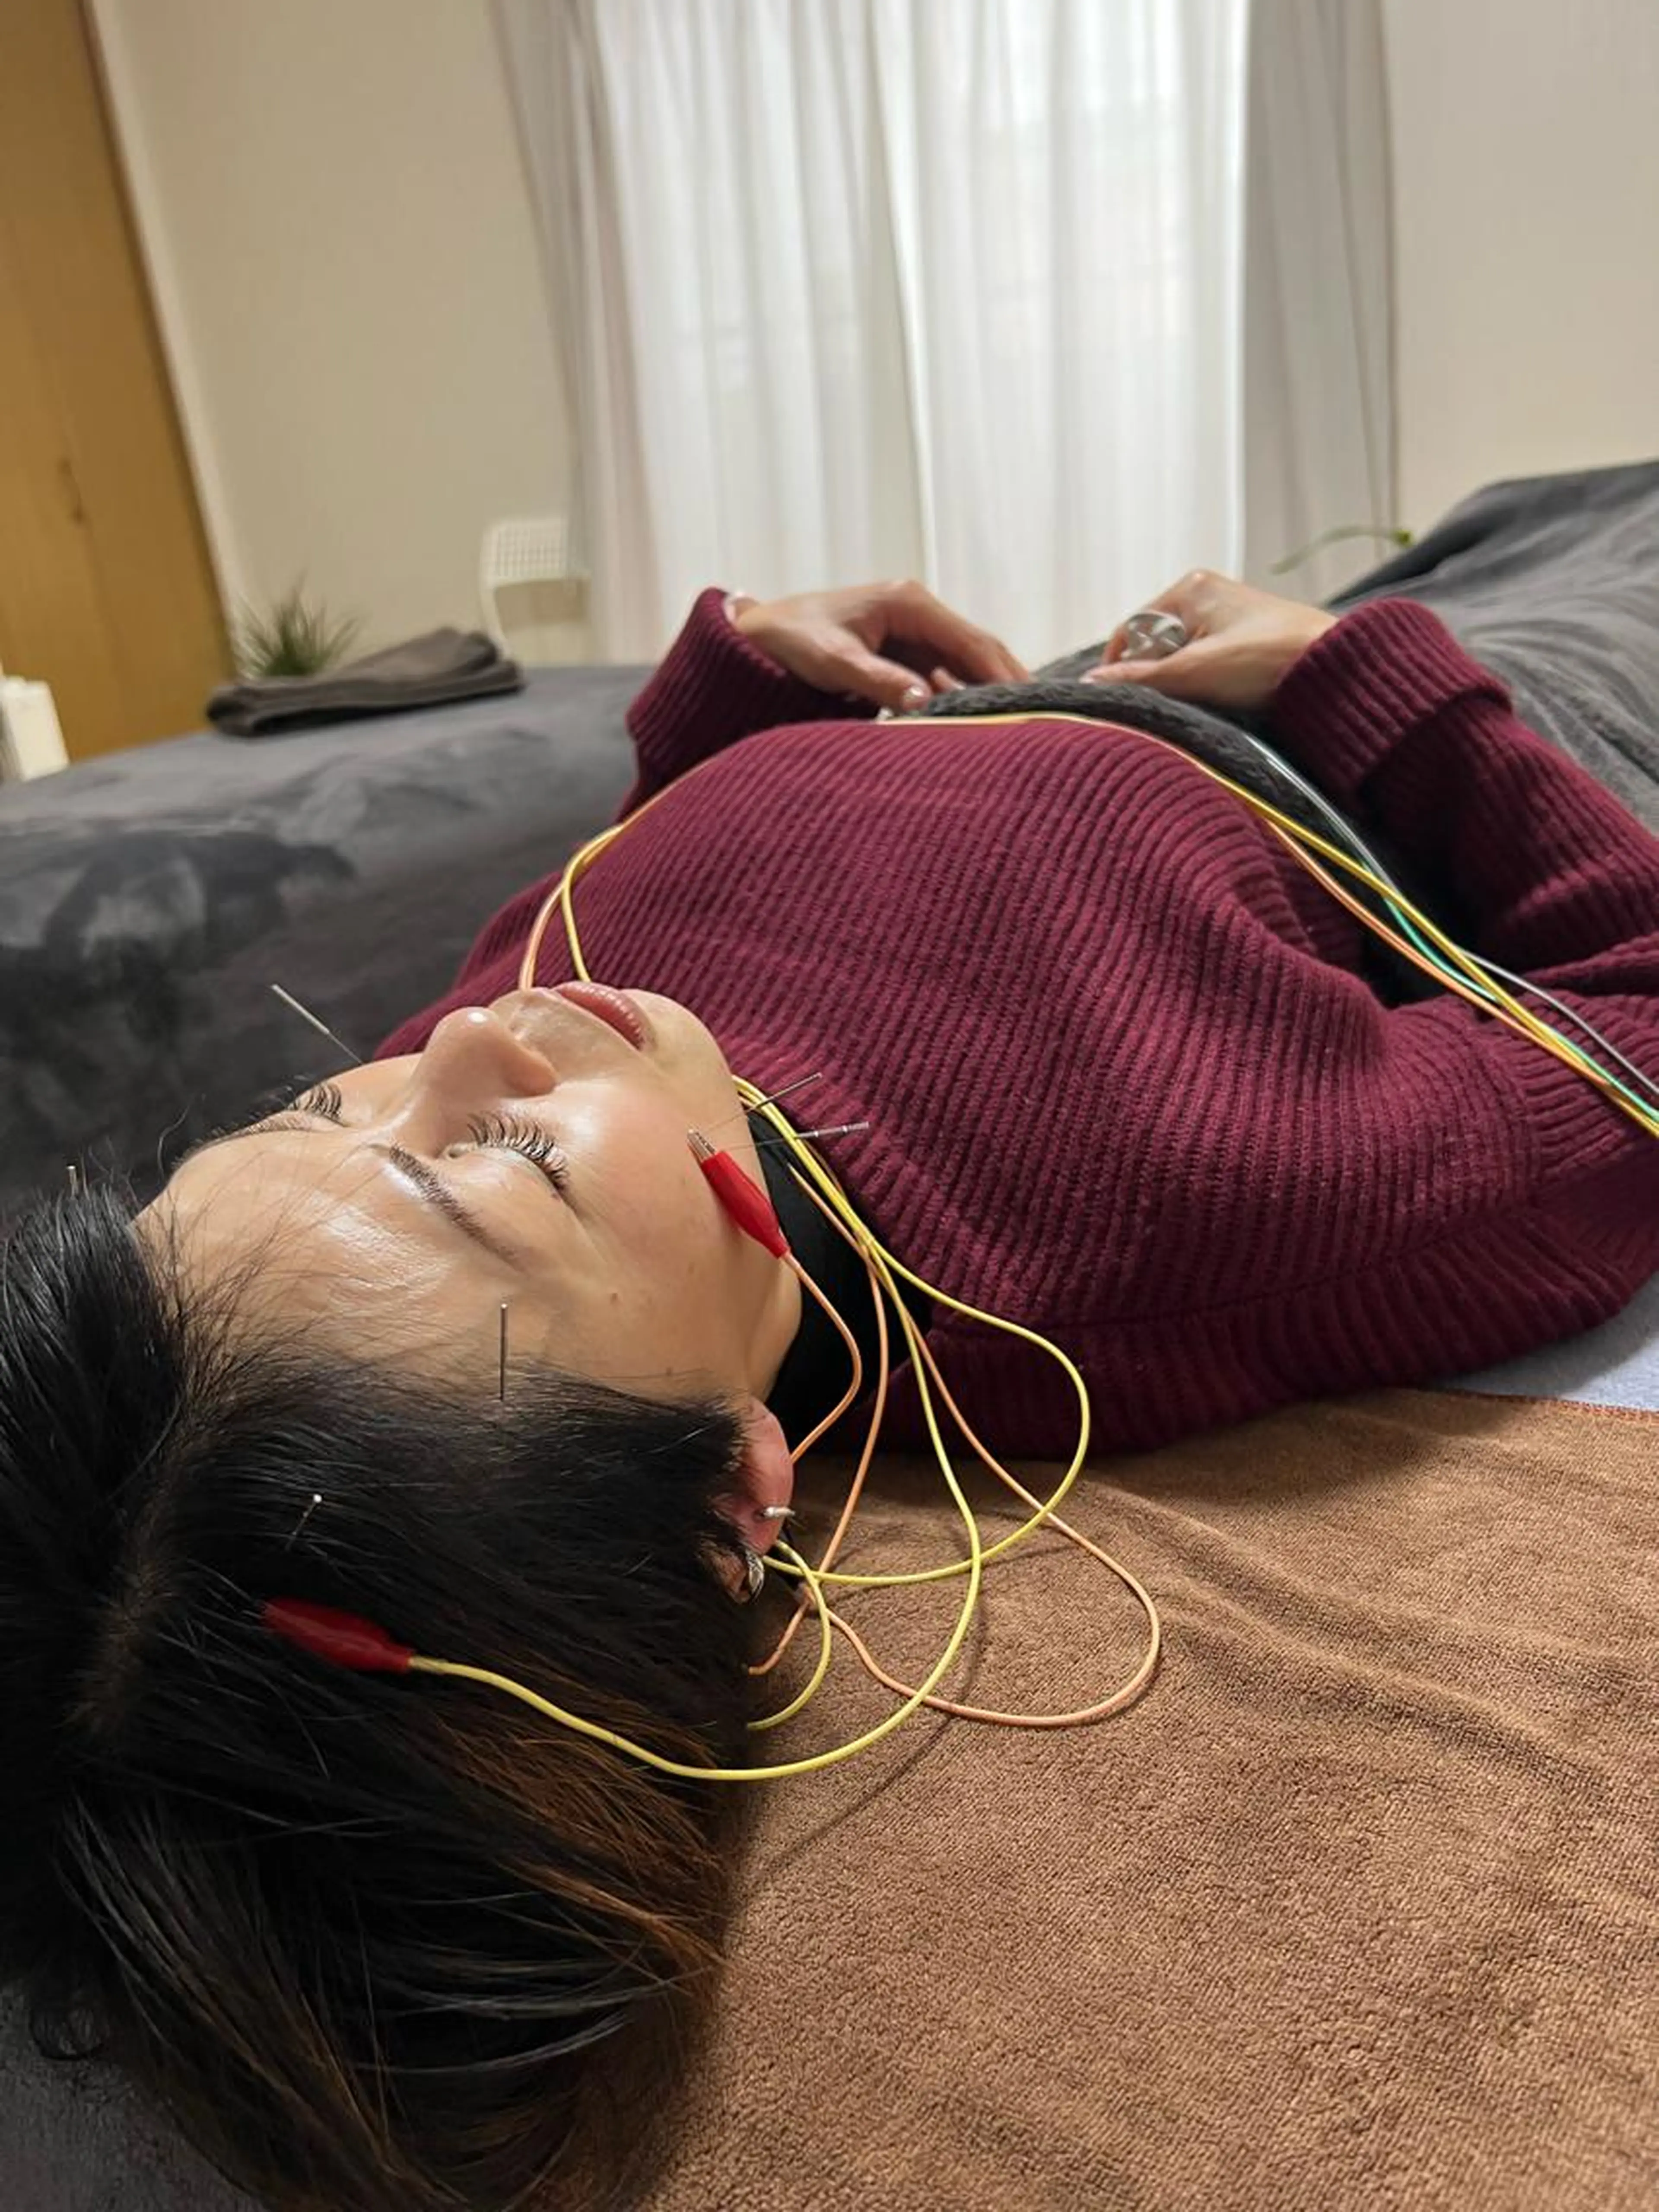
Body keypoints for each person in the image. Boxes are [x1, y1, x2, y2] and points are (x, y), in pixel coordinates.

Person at [3, 570, 1656, 2212]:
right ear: (735, 1494)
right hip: (1348, 746)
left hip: (995, 691)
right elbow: (1635, 1025)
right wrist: (1371, 683)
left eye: (300, 1109)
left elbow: (597, 899)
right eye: (508, 1165)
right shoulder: (1178, 1202)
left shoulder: (468, 1126)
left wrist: (734, 705)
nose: (457, 1048)